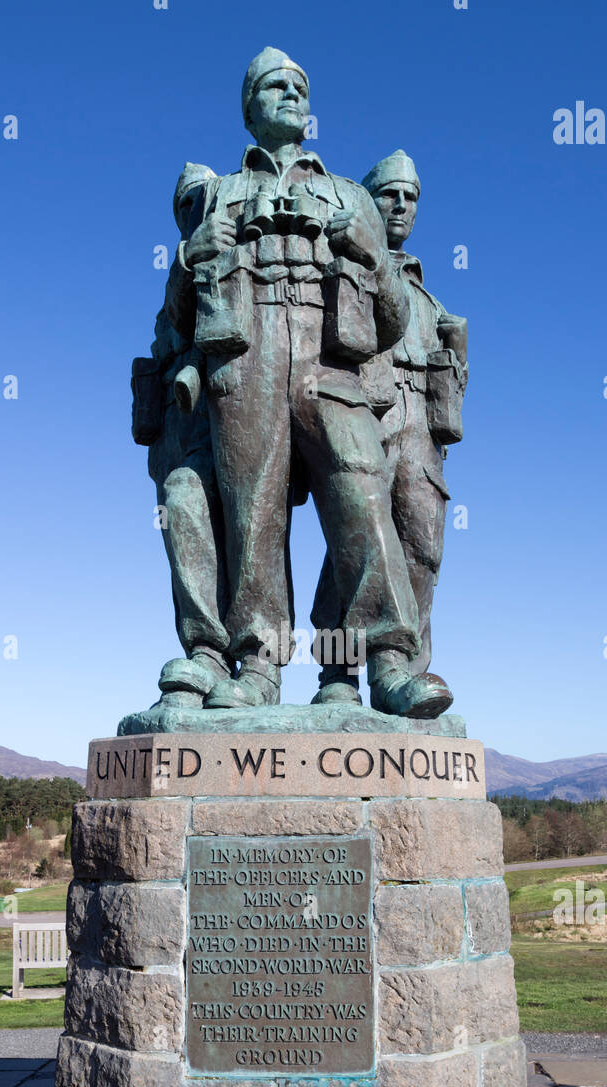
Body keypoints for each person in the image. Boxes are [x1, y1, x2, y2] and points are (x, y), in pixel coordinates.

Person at [164, 48, 452, 717]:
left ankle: (387, 660)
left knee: (362, 499)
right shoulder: (217, 194)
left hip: (330, 362)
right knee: (251, 513)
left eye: (299, 86)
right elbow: (178, 313)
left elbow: (391, 320)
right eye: (273, 85)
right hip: (245, 357)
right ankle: (258, 663)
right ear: (249, 105)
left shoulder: (351, 195)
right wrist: (188, 260)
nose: (289, 93)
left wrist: (376, 258)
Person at [312, 150, 468, 707]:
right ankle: (337, 674)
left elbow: (454, 383)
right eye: (389, 194)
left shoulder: (429, 298)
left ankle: (408, 671)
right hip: (369, 411)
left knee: (422, 549)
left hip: (421, 425)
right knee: (355, 541)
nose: (401, 204)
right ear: (367, 202)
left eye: (411, 196)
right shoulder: (345, 260)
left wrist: (459, 354)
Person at [131, 163, 234, 708]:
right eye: (187, 204)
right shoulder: (184, 268)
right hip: (180, 431)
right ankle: (205, 653)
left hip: (236, 418)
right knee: (184, 517)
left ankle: (254, 660)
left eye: (206, 199)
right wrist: (189, 258)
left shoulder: (232, 257)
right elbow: (174, 323)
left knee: (244, 535)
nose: (198, 210)